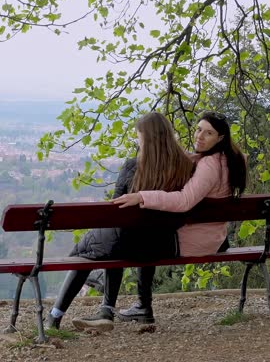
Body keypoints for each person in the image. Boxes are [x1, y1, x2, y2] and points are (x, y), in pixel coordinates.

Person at [68, 110, 247, 330]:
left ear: (220, 138)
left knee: (144, 230)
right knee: (147, 229)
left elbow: (184, 200)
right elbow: (190, 164)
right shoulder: (223, 159)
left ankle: (115, 298)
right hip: (214, 238)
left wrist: (142, 196)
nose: (200, 136)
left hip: (191, 241)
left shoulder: (210, 165)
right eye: (199, 129)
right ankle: (141, 305)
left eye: (208, 133)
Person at [45, 112, 195, 331]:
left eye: (139, 137)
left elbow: (114, 210)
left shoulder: (134, 167)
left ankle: (54, 318)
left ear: (146, 139)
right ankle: (131, 308)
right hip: (163, 246)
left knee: (83, 255)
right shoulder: (186, 167)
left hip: (126, 242)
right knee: (119, 242)